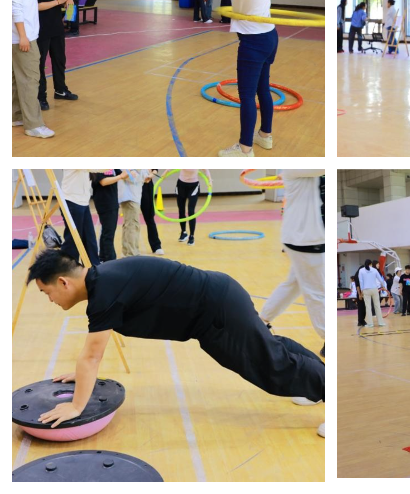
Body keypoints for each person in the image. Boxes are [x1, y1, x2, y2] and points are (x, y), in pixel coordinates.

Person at [26, 250, 325, 438]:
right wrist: (82, 376)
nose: (50, 300)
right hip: (220, 299)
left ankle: (328, 393)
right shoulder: (103, 280)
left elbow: (92, 356)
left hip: (217, 311)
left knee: (270, 367)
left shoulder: (104, 292)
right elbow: (92, 355)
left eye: (46, 292)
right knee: (271, 350)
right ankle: (315, 387)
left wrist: (76, 406)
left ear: (63, 282)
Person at [173, 0, 278, 157]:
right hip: (269, 37)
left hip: (252, 43)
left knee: (247, 96)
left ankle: (245, 149)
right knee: (263, 89)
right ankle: (265, 135)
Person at [260, 170, 325, 368]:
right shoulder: (299, 166)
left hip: (301, 238)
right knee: (317, 292)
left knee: (293, 284)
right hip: (305, 240)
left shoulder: (300, 169)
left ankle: (262, 320)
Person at [12, 0, 54, 139]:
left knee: (16, 79)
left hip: (21, 36)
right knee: (30, 80)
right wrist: (23, 36)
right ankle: (33, 124)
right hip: (23, 37)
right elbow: (15, 6)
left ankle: (16, 116)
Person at [31, 0, 79, 111]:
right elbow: (35, 6)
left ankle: (60, 90)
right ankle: (40, 96)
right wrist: (58, 1)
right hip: (41, 30)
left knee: (59, 60)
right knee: (40, 64)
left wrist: (67, 1)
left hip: (57, 28)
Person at [60, 170, 107, 266]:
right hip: (72, 201)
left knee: (90, 239)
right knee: (73, 240)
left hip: (83, 202)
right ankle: (68, 267)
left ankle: (93, 267)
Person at [166, 169, 211, 246]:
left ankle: (191, 236)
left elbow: (206, 170)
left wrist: (209, 181)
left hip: (193, 186)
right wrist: (163, 176)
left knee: (191, 211)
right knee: (181, 210)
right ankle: (183, 232)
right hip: (181, 185)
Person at [91, 170, 128, 262]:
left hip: (113, 202)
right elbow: (103, 182)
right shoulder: (97, 168)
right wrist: (120, 177)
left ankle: (103, 257)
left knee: (107, 232)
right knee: (108, 233)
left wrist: (131, 173)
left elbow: (123, 174)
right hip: (104, 202)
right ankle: (110, 260)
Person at [117, 170, 148, 257]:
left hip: (134, 196)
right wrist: (142, 175)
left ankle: (127, 252)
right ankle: (132, 254)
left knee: (130, 225)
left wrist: (144, 175)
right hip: (129, 198)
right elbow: (130, 177)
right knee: (132, 225)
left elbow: (145, 175)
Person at [141, 169, 165, 256]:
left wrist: (151, 175)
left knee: (149, 218)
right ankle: (130, 249)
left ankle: (156, 246)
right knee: (131, 221)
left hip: (146, 186)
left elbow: (155, 169)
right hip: (131, 187)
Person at [358, 259, 386, 328]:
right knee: (377, 306)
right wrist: (383, 286)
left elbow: (361, 281)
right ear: (371, 264)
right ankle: (381, 322)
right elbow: (380, 279)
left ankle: (370, 323)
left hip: (366, 290)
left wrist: (362, 290)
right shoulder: (374, 270)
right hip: (374, 289)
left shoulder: (361, 270)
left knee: (368, 307)